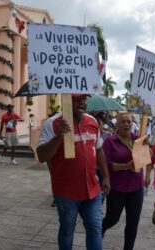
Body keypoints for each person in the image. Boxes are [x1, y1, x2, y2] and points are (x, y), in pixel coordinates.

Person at [36, 94, 110, 250]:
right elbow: (42, 156)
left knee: (95, 229)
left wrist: (106, 177)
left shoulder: (92, 121)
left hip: (92, 190)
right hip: (66, 193)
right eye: (76, 99)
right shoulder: (52, 123)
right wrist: (59, 136)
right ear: (66, 100)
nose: (81, 102)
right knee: (67, 231)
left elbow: (99, 149)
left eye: (83, 99)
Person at [102, 112, 145, 250]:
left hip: (136, 188)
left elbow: (145, 160)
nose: (126, 124)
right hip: (117, 188)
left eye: (129, 122)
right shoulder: (110, 141)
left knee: (133, 223)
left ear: (132, 124)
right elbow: (106, 164)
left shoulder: (138, 139)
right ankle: (99, 230)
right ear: (117, 125)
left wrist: (147, 152)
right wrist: (126, 166)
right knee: (112, 219)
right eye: (123, 122)